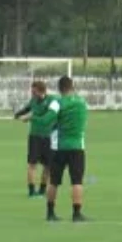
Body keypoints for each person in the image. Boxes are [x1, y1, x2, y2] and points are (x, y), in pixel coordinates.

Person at [46, 76, 89, 222]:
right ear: (72, 87)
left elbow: (48, 119)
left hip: (59, 146)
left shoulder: (57, 102)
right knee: (77, 181)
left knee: (54, 181)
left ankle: (50, 212)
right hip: (77, 146)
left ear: (59, 88)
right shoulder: (82, 102)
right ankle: (76, 214)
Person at [14, 80, 59, 198]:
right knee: (32, 164)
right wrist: (18, 114)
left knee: (48, 166)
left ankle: (42, 190)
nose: (32, 94)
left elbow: (46, 117)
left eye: (34, 92)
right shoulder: (33, 100)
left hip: (48, 137)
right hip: (35, 136)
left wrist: (30, 117)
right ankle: (31, 191)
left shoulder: (52, 101)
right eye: (32, 91)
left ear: (41, 91)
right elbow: (27, 109)